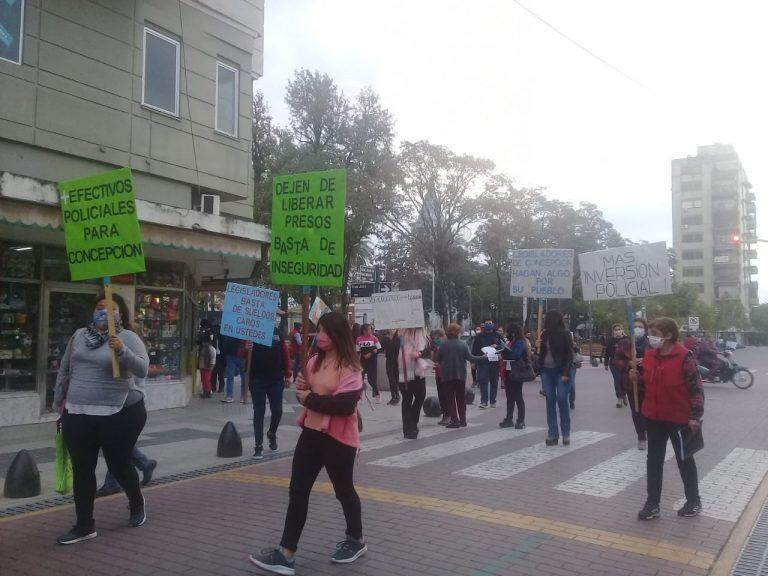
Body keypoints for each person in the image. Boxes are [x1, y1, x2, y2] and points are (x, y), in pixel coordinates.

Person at [249, 312, 366, 574]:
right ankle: (286, 552)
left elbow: (344, 406)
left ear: (337, 335)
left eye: (324, 331)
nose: (319, 335)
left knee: (343, 490)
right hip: (311, 434)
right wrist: (303, 388)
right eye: (318, 329)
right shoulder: (313, 361)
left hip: (339, 440)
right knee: (298, 490)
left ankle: (355, 539)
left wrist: (309, 397)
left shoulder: (351, 367)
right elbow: (304, 391)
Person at [52, 292, 149, 545]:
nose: (103, 311)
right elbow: (64, 370)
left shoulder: (127, 337)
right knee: (83, 470)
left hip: (119, 413)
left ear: (120, 314)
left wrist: (123, 351)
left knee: (118, 464)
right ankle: (85, 525)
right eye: (99, 307)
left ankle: (136, 501)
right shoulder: (78, 336)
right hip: (78, 412)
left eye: (111, 308)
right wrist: (59, 404)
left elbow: (143, 370)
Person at [630, 317, 704, 521]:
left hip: (680, 418)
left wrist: (695, 416)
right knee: (653, 460)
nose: (651, 338)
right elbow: (645, 384)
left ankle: (693, 500)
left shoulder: (684, 357)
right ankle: (652, 503)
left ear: (669, 335)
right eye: (650, 333)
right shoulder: (649, 356)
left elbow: (696, 388)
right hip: (653, 417)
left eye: (655, 334)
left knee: (684, 459)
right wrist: (635, 378)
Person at [250, 312, 292, 459]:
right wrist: (246, 348)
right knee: (259, 412)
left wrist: (287, 374)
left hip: (276, 379)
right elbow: (241, 352)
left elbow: (285, 354)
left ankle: (272, 433)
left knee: (277, 410)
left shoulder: (277, 334)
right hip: (257, 379)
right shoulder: (251, 333)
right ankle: (258, 445)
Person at [437, 323, 486, 428]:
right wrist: (484, 357)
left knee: (450, 398)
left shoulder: (443, 345)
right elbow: (471, 358)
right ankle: (463, 420)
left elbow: (438, 359)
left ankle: (455, 420)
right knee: (461, 398)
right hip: (461, 375)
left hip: (447, 375)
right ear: (457, 333)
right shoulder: (463, 344)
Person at [537, 310, 574, 446]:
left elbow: (570, 355)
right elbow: (541, 354)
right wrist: (538, 347)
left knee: (562, 399)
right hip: (546, 371)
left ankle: (566, 432)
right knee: (550, 401)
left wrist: (565, 372)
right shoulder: (544, 334)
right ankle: (553, 433)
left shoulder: (565, 334)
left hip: (561, 371)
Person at [616, 317, 650, 450]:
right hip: (632, 382)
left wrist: (646, 361)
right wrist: (628, 364)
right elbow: (617, 360)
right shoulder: (624, 343)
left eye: (640, 327)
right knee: (636, 410)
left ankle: (649, 431)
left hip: (648, 381)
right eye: (635, 326)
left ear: (645, 329)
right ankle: (641, 435)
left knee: (648, 410)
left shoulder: (651, 343)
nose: (638, 329)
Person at [398, 328, 428, 439]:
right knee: (407, 399)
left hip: (418, 371)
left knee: (420, 396)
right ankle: (409, 428)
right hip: (403, 372)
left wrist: (419, 353)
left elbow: (427, 350)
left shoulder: (421, 333)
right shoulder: (400, 334)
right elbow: (391, 352)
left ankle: (411, 423)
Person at [499, 323, 529, 429]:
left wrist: (504, 353)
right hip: (508, 371)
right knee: (510, 397)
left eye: (508, 332)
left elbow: (516, 355)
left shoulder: (520, 342)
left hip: (516, 372)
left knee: (518, 396)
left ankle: (521, 420)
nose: (507, 334)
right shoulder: (512, 342)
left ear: (513, 332)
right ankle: (509, 418)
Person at [471, 319, 504, 408]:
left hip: (494, 362)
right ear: (484, 325)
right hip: (482, 361)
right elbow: (474, 349)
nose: (488, 325)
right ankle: (484, 401)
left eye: (490, 323)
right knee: (483, 380)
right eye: (486, 323)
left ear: (493, 324)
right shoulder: (479, 336)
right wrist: (473, 361)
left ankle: (493, 400)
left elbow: (503, 347)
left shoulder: (498, 336)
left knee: (494, 381)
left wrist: (497, 346)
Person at [604, 323, 628, 408]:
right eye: (616, 330)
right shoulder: (610, 340)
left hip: (625, 364)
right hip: (614, 364)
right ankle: (619, 398)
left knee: (623, 380)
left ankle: (624, 394)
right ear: (613, 331)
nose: (617, 331)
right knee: (617, 379)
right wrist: (606, 363)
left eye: (619, 329)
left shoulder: (627, 339)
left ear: (622, 330)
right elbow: (607, 353)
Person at [356, 324, 382, 402]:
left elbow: (380, 349)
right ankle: (359, 396)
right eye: (369, 329)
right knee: (360, 379)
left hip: (372, 361)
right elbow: (357, 351)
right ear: (364, 330)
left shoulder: (374, 338)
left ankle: (377, 394)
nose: (371, 331)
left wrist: (372, 352)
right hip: (362, 361)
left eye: (371, 329)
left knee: (371, 380)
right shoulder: (358, 339)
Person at [221, 333, 247, 403]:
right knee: (230, 376)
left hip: (241, 356)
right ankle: (230, 396)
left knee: (243, 377)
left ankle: (241, 396)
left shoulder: (245, 332)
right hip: (232, 355)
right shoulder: (231, 332)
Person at [380, 329, 401, 405]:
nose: (392, 330)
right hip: (389, 361)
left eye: (394, 329)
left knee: (394, 379)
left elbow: (399, 351)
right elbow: (380, 348)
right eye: (391, 329)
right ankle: (393, 396)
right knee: (390, 379)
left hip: (396, 361)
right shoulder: (385, 339)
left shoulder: (398, 339)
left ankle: (397, 395)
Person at [198, 334, 216, 398]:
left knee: (206, 380)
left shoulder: (212, 349)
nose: (203, 343)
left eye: (205, 342)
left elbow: (213, 358)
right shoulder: (203, 348)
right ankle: (205, 391)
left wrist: (211, 366)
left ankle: (208, 391)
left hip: (208, 367)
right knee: (203, 380)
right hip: (202, 366)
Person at [211, 324, 226, 393]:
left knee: (220, 373)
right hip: (214, 356)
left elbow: (224, 348)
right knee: (214, 373)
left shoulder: (223, 338)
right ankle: (214, 387)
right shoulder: (213, 337)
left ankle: (221, 387)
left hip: (220, 357)